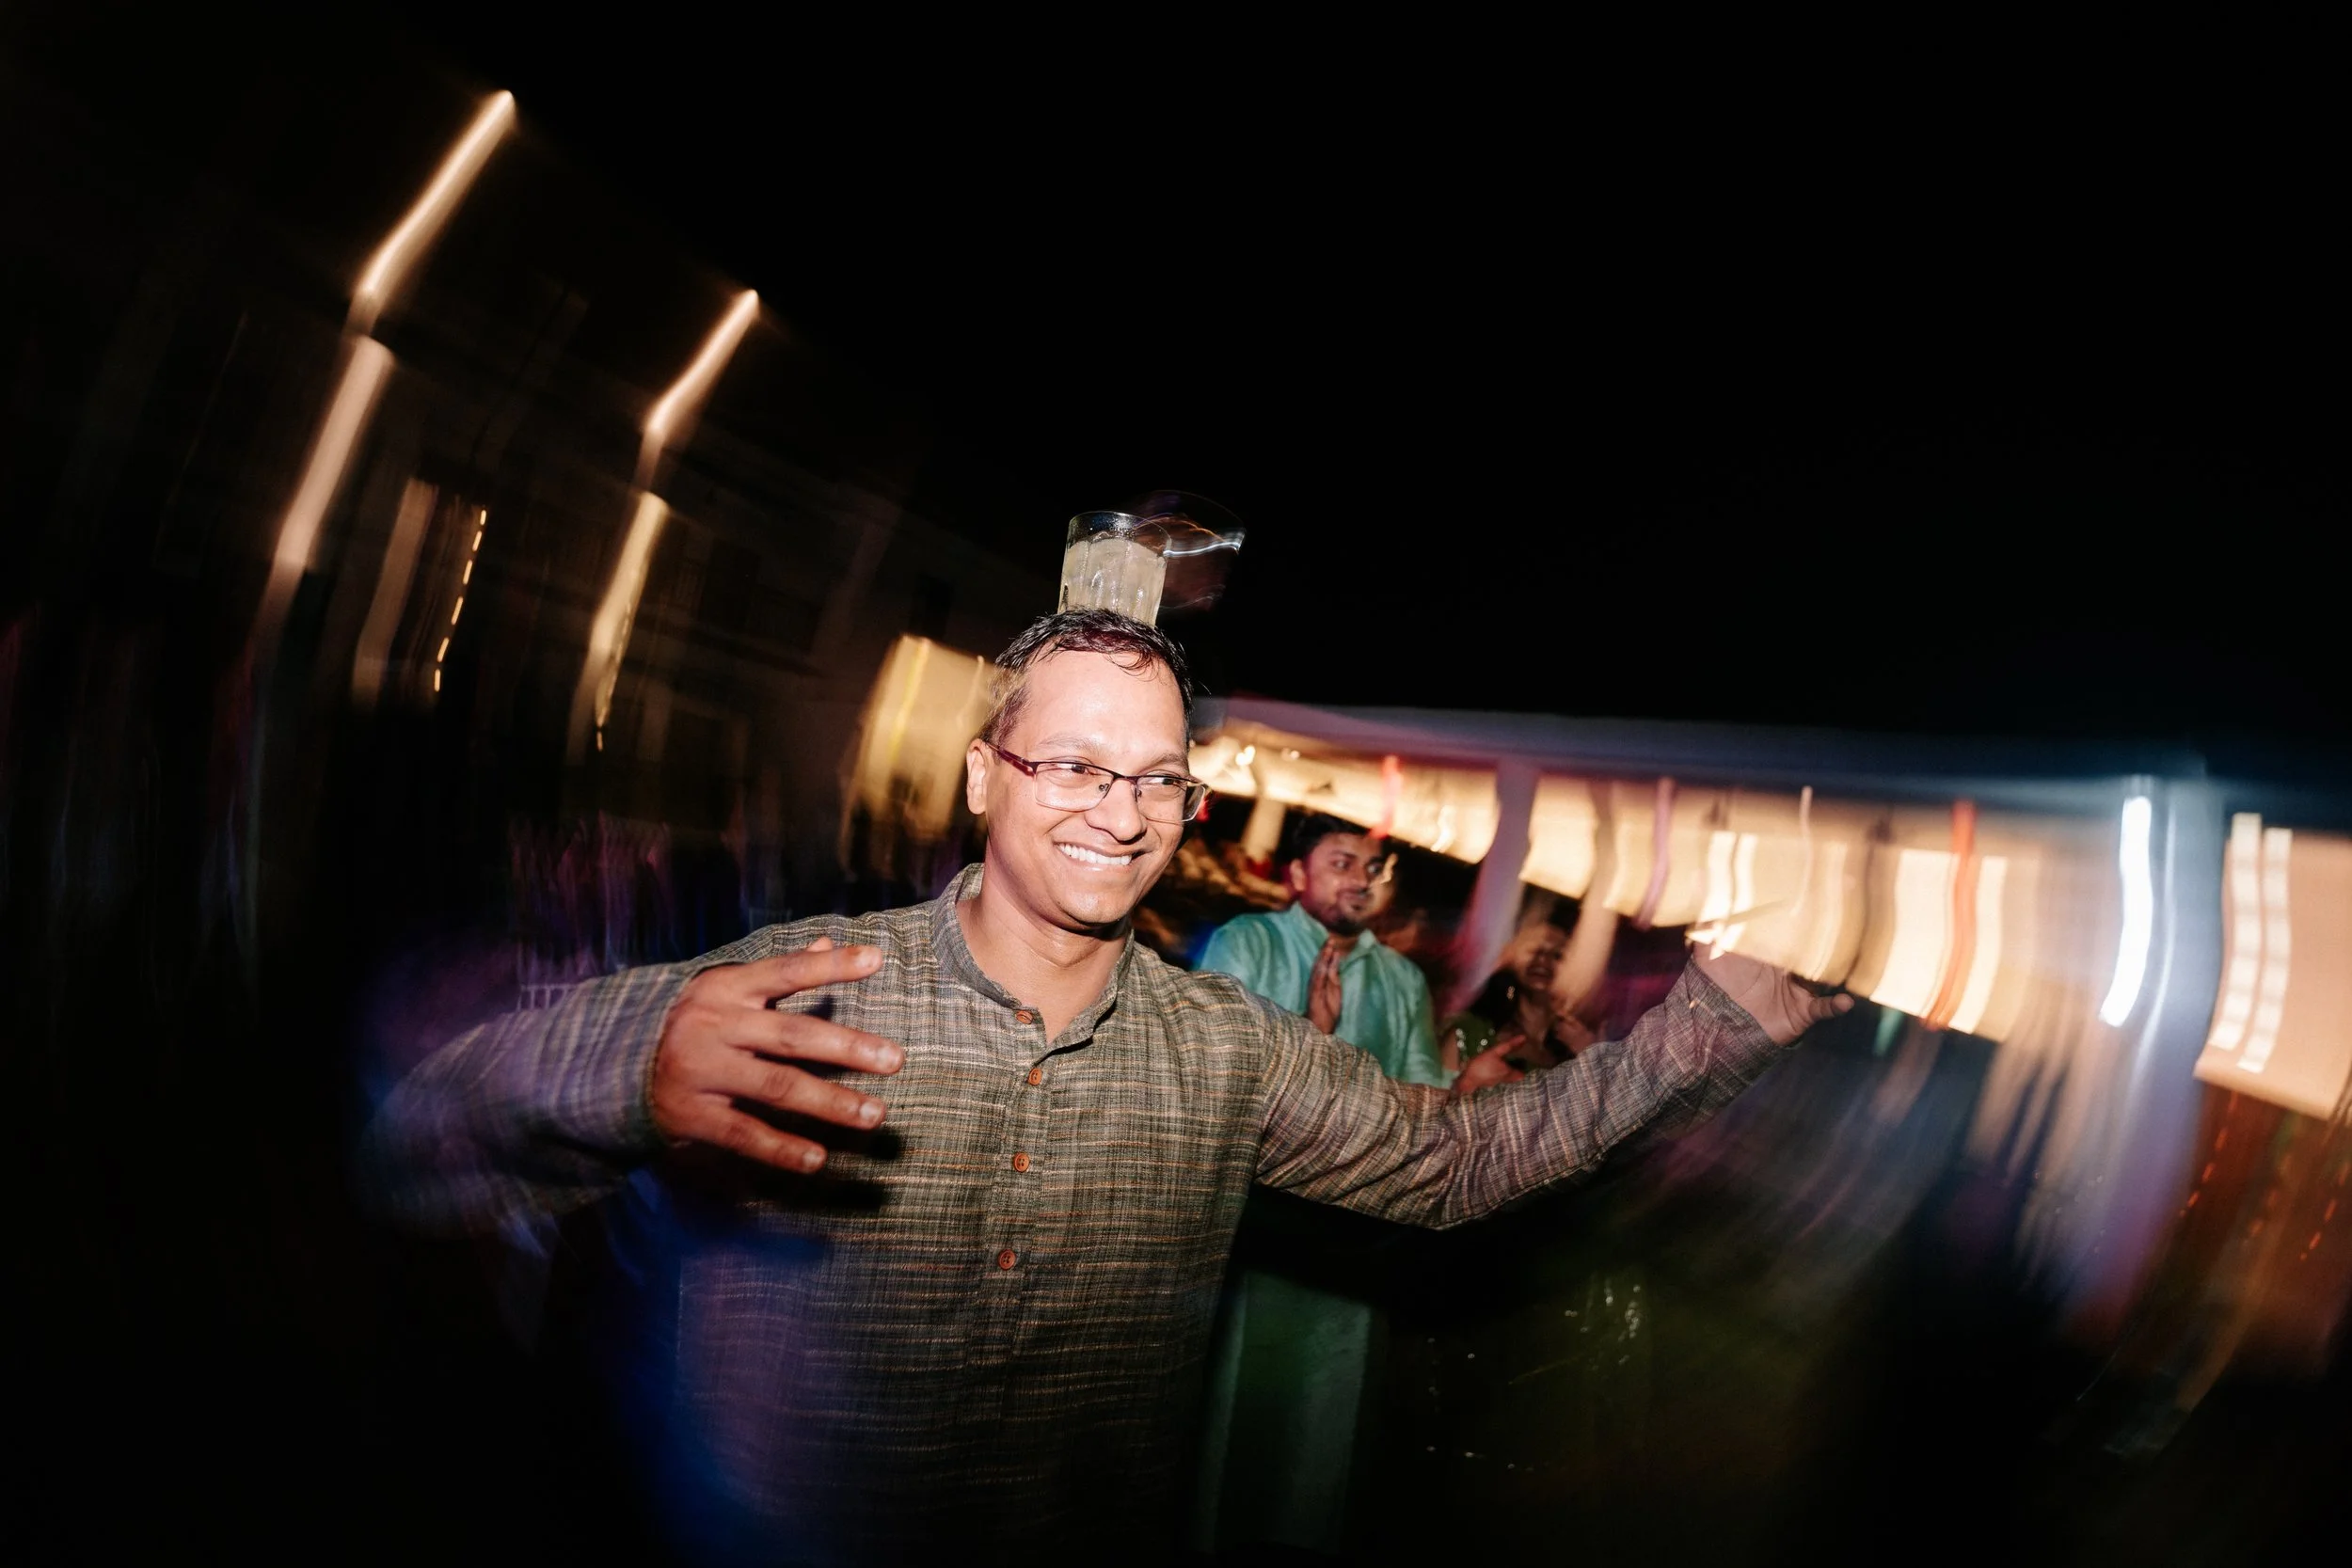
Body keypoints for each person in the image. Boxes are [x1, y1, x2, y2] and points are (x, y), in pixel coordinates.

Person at [363, 608, 1847, 1562]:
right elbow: (420, 1139)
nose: (1120, 811)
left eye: (1156, 778)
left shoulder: (1223, 1047)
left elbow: (1451, 1166)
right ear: (982, 777)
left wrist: (1709, 1025)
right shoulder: (804, 977)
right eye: (1073, 764)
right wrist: (632, 1062)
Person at [1190, 815, 1444, 1555]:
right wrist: (1312, 1043)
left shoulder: (1402, 980)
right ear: (1298, 875)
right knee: (1220, 1434)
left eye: (1372, 867)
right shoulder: (1247, 943)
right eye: (1342, 862)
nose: (1361, 879)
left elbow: (1424, 1106)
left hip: (1350, 1258)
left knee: (1322, 1454)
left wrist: (1465, 1092)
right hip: (1244, 1245)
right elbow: (1211, 1084)